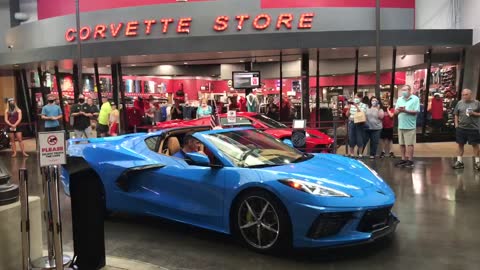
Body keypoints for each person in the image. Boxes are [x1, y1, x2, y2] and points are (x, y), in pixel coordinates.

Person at [452, 89, 480, 170]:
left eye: (466, 94)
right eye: (463, 95)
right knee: (460, 144)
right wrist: (456, 125)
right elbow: (456, 114)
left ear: (471, 95)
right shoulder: (460, 103)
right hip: (461, 128)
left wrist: (474, 113)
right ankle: (459, 161)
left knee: (475, 145)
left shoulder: (477, 103)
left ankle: (477, 162)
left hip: (473, 128)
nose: (464, 96)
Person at [395, 85, 420, 168]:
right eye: (402, 90)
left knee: (409, 144)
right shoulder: (399, 99)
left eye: (405, 90)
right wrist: (398, 110)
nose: (403, 92)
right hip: (401, 125)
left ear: (410, 90)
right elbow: (395, 112)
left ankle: (410, 160)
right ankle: (403, 159)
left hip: (410, 126)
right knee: (401, 144)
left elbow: (416, 111)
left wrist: (405, 110)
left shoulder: (415, 99)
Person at [346, 93, 368, 158]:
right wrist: (349, 109)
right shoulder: (351, 105)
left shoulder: (364, 105)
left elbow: (362, 113)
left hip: (359, 123)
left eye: (356, 97)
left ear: (360, 98)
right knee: (351, 138)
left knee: (360, 138)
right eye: (354, 97)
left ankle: (360, 154)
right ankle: (352, 154)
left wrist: (356, 106)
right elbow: (347, 115)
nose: (355, 99)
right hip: (351, 122)